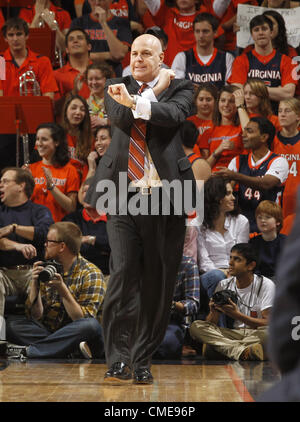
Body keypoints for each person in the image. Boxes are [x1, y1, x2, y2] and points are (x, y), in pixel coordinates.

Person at [85, 33, 210, 385]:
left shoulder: (182, 87)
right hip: (122, 194)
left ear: (162, 57)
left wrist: (145, 99)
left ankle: (141, 360)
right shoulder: (115, 85)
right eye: (134, 52)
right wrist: (152, 93)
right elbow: (123, 120)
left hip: (167, 195)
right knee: (123, 273)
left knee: (158, 282)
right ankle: (117, 359)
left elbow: (172, 118)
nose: (137, 58)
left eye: (146, 54)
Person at [5, 222, 106, 360]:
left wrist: (62, 289)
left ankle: (32, 351)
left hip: (81, 334)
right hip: (53, 333)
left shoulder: (91, 274)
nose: (45, 244)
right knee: (11, 324)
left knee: (91, 325)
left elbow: (81, 319)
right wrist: (34, 283)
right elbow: (36, 316)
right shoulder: (47, 269)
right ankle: (68, 350)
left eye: (49, 241)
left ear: (62, 246)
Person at [190, 243, 275, 361]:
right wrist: (214, 312)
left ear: (251, 265)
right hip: (232, 333)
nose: (230, 263)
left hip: (255, 334)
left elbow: (268, 323)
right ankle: (243, 351)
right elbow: (211, 324)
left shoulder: (265, 285)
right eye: (230, 257)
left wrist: (237, 315)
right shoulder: (224, 284)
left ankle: (222, 348)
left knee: (269, 334)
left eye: (237, 259)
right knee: (196, 327)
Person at [0, 167, 54, 340]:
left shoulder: (39, 210)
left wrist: (14, 228)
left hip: (32, 271)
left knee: (47, 278)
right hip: (4, 272)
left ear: (21, 186)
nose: (1, 185)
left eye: (5, 181)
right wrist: (18, 245)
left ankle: (46, 336)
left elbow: (45, 232)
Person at [217, 116, 289, 233]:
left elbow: (266, 184)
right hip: (241, 226)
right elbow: (225, 188)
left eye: (249, 131)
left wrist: (235, 176)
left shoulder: (278, 161)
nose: (243, 134)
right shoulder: (238, 160)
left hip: (268, 228)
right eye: (244, 130)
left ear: (264, 137)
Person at [228, 14, 297, 110]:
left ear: (271, 32)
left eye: (264, 29)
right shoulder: (241, 60)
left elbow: (288, 94)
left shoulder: (287, 61)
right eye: (256, 30)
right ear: (252, 35)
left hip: (277, 115)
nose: (260, 33)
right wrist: (277, 91)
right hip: (249, 116)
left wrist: (251, 91)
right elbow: (237, 92)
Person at [197, 175, 250, 300]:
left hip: (236, 273)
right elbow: (203, 262)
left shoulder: (241, 221)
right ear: (216, 197)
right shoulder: (198, 224)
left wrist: (232, 272)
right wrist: (223, 272)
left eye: (232, 193)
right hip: (209, 275)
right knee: (217, 277)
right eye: (228, 194)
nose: (233, 198)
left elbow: (242, 256)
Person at [142, 0, 224, 67]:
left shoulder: (205, 15)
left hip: (197, 71)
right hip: (170, 69)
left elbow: (220, 39)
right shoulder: (166, 14)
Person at [29, 122, 80, 222]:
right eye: (37, 139)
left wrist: (52, 187)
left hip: (59, 229)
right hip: (34, 227)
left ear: (56, 142)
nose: (39, 143)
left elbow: (71, 207)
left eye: (44, 139)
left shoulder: (70, 170)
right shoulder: (31, 169)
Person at [153, 254, 200, 359]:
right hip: (141, 319)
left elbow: (193, 303)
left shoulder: (187, 264)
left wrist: (172, 304)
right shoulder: (141, 261)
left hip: (169, 320)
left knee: (167, 345)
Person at [70, 0, 132, 77]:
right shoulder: (78, 23)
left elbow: (119, 54)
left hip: (113, 75)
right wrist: (109, 55)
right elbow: (76, 55)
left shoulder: (122, 23)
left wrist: (103, 23)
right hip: (86, 74)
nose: (97, 3)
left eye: (101, 0)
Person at [63, 177, 110, 277]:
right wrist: (101, 248)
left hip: (107, 274)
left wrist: (89, 239)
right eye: (84, 191)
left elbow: (114, 246)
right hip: (77, 274)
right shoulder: (71, 219)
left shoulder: (113, 219)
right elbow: (68, 245)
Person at [171, 13, 234, 88]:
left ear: (215, 32)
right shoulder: (182, 57)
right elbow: (176, 88)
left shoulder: (227, 58)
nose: (201, 36)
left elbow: (230, 90)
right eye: (197, 31)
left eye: (205, 31)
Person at [0, 17, 58, 98]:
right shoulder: (0, 62)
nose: (15, 39)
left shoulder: (42, 61)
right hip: (6, 110)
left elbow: (49, 96)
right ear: (5, 38)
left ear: (26, 36)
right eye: (11, 35)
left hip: (36, 109)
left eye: (19, 34)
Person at [199, 85, 244, 168]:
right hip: (214, 176)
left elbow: (249, 132)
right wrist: (218, 151)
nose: (226, 104)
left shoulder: (242, 126)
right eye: (223, 100)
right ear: (218, 103)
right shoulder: (208, 130)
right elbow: (204, 168)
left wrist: (240, 106)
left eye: (231, 101)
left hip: (237, 175)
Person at [272, 98, 300, 219]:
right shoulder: (270, 141)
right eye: (280, 111)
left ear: (298, 116)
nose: (282, 114)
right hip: (275, 199)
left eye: (287, 111)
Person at [250, 200, 286, 280]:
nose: (262, 220)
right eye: (260, 217)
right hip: (259, 282)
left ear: (278, 222)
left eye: (267, 217)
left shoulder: (286, 242)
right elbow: (253, 269)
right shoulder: (252, 243)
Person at [54, 27, 92, 102]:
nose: (75, 41)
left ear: (89, 46)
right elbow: (55, 109)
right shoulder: (56, 75)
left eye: (80, 38)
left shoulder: (103, 71)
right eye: (71, 39)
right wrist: (74, 92)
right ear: (67, 49)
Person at [61, 94, 93, 182]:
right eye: (73, 108)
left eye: (82, 109)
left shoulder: (91, 139)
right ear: (65, 111)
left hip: (82, 184)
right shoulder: (55, 134)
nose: (78, 112)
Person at [84, 61, 114, 129]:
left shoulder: (115, 101)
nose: (94, 82)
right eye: (90, 79)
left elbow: (125, 123)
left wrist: (105, 122)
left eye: (97, 78)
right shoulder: (85, 104)